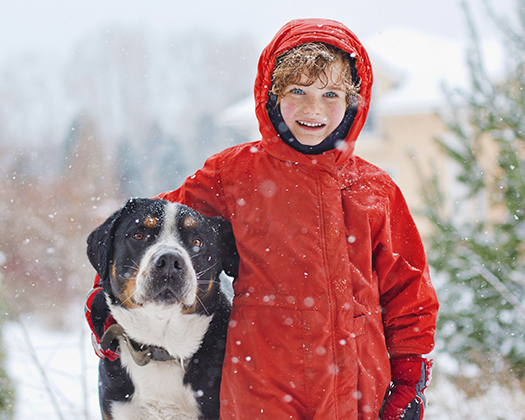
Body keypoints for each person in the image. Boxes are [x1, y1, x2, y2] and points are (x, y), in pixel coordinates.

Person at [86, 18, 439, 419]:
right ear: (271, 94)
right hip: (260, 383)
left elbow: (407, 291)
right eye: (297, 91)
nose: (313, 108)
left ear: (354, 101)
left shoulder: (376, 190)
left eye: (331, 94)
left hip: (356, 384)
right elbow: (153, 225)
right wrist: (105, 292)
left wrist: (410, 374)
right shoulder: (233, 174)